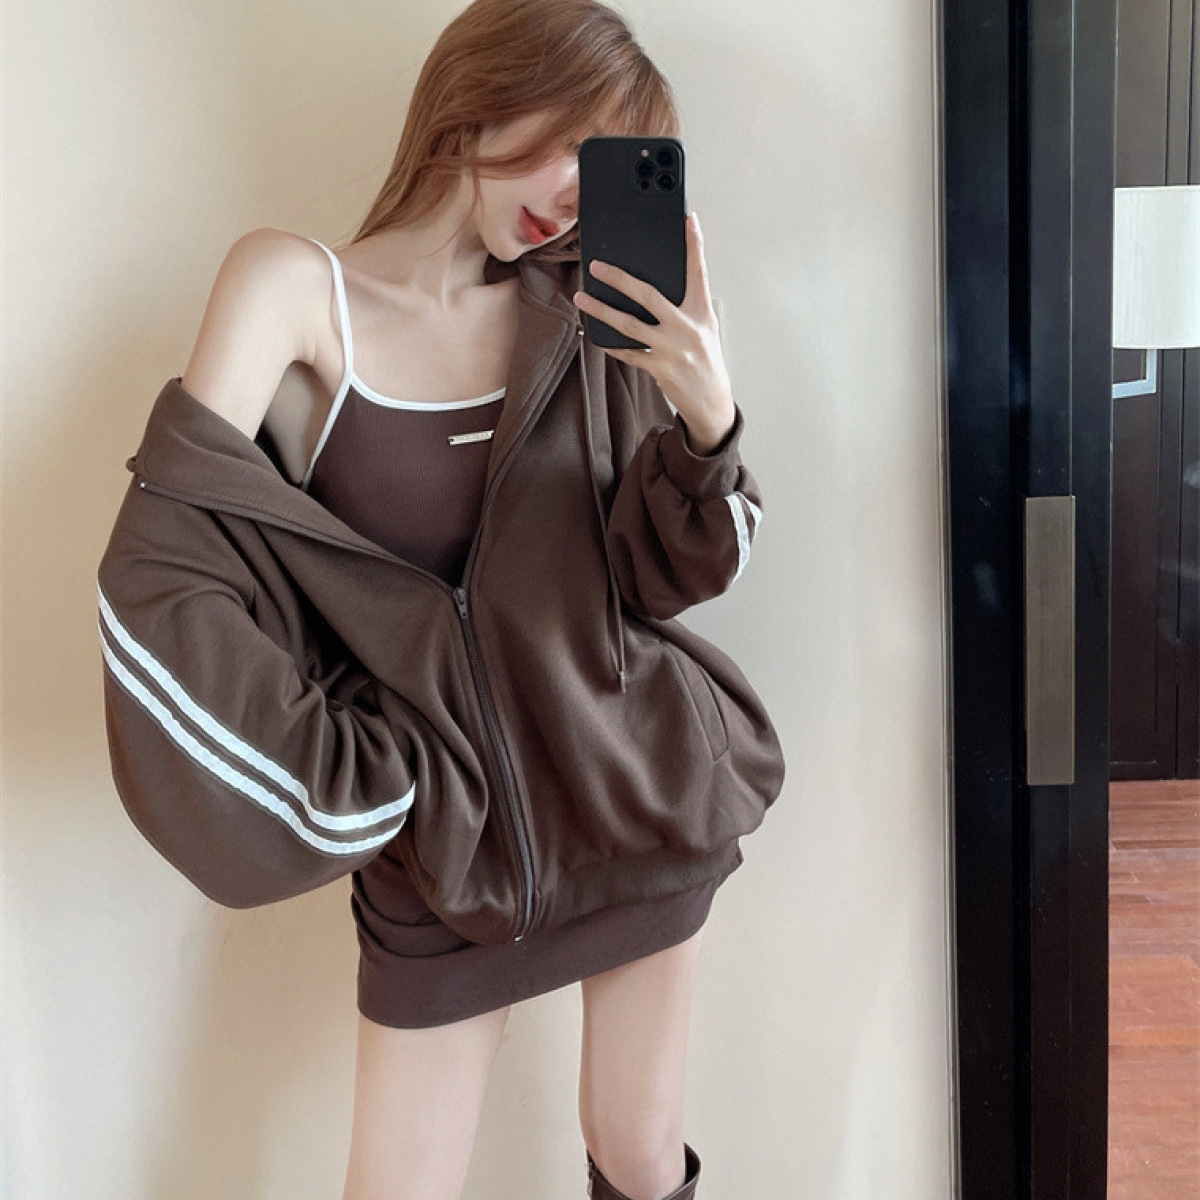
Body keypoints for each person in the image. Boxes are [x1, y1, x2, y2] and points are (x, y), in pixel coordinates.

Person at [110, 2, 779, 1198]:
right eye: (569, 141)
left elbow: (667, 578)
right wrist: (370, 778)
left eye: (606, 165)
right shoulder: (291, 289)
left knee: (636, 1152)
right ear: (485, 88)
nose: (574, 195)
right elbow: (174, 568)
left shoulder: (582, 310)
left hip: (637, 797)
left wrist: (707, 414)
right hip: (450, 855)